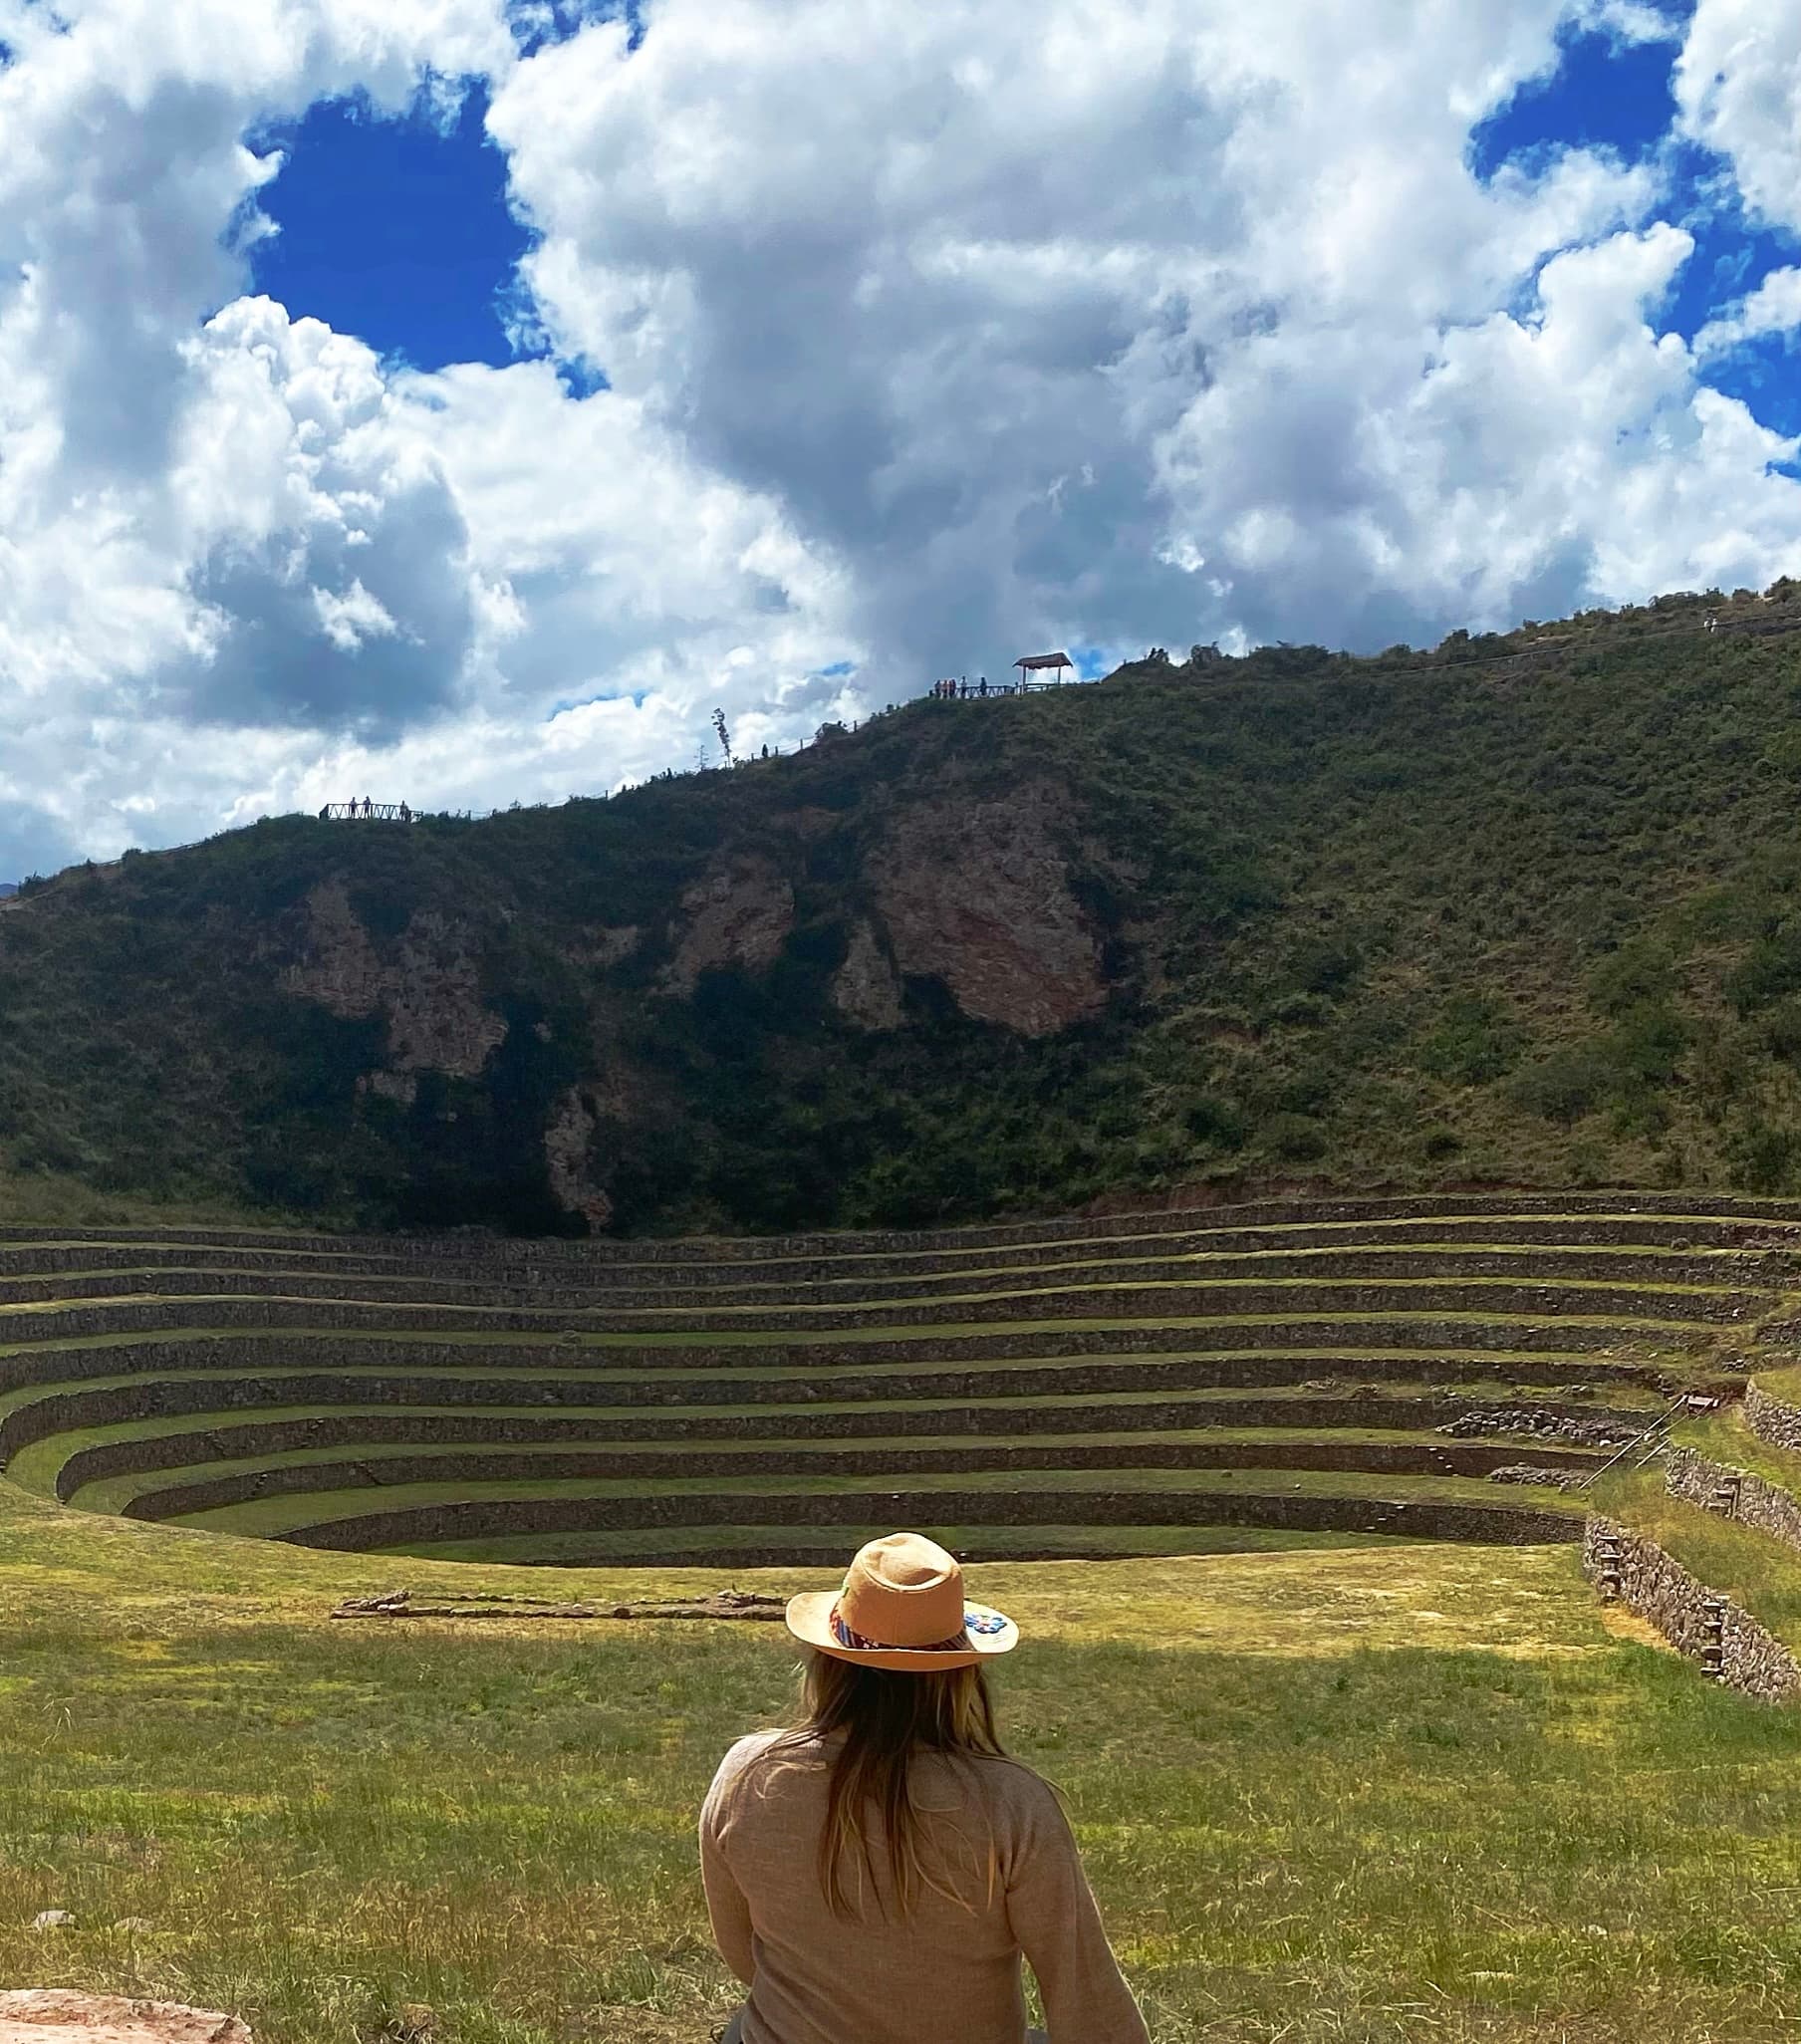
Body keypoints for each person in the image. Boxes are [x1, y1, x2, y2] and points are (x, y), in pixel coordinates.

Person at [699, 1533, 1149, 2044]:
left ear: (827, 1659)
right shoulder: (1011, 1804)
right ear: (960, 1674)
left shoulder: (746, 1775)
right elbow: (1085, 1999)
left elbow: (745, 1954)